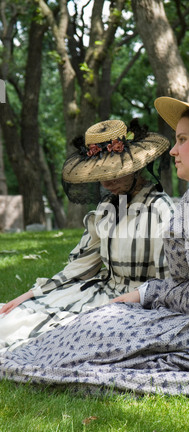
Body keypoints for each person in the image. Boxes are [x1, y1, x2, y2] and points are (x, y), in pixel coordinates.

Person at [0, 98, 189, 396]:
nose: (174, 150)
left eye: (182, 140)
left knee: (95, 332)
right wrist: (143, 294)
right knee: (90, 324)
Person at [0, 119, 174, 352]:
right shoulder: (107, 209)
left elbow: (170, 283)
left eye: (114, 171)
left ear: (136, 167)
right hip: (102, 292)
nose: (106, 181)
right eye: (100, 173)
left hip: (140, 305)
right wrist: (29, 295)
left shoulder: (161, 210)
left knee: (66, 336)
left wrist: (122, 304)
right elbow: (82, 266)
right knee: (19, 319)